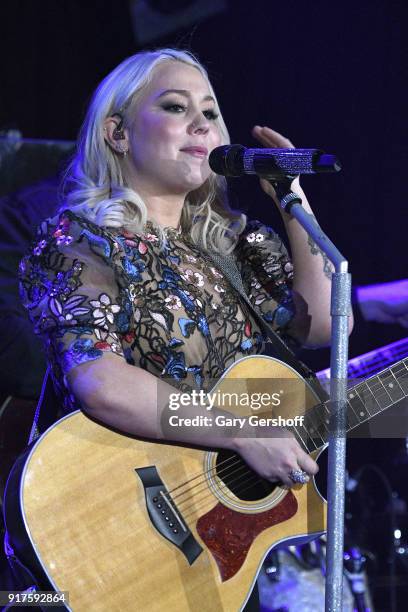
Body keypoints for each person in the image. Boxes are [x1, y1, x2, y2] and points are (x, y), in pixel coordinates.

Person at [18, 48, 351, 608]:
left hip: (216, 539)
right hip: (106, 522)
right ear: (118, 134)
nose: (203, 123)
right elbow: (100, 382)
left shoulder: (237, 246)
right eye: (176, 107)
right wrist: (241, 431)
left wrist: (294, 203)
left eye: (211, 111)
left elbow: (321, 326)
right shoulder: (81, 244)